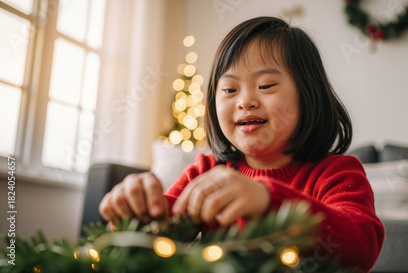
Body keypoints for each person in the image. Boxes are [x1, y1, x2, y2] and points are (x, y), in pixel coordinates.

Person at [99, 16, 384, 272]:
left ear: (308, 95)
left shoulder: (336, 172)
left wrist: (267, 200)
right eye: (230, 89)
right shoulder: (207, 169)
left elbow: (361, 247)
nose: (245, 101)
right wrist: (138, 211)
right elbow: (163, 231)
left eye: (266, 86)